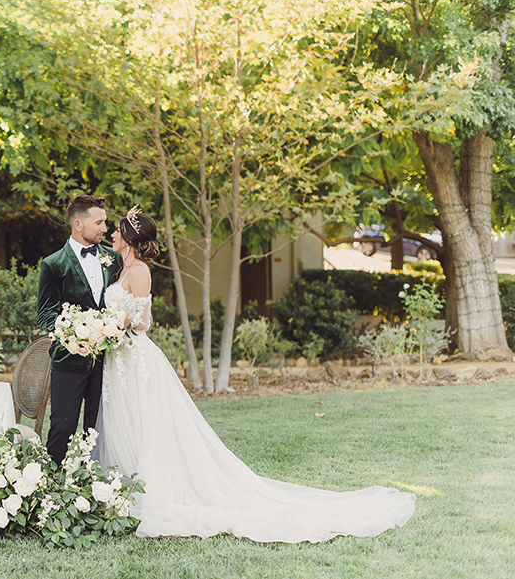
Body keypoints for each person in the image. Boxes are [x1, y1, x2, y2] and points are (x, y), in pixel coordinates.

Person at [95, 206, 416, 541]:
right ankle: (125, 489)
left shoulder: (140, 271)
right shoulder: (122, 268)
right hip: (120, 360)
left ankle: (153, 494)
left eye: (117, 231)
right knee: (127, 420)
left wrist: (114, 326)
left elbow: (145, 322)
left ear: (130, 238)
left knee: (149, 425)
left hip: (137, 359)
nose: (112, 235)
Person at [37, 195, 123, 466]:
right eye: (99, 222)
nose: (105, 228)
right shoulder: (53, 264)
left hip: (107, 360)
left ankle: (94, 485)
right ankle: (51, 484)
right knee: (63, 427)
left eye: (105, 222)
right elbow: (46, 312)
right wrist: (71, 336)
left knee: (98, 428)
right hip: (69, 360)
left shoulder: (114, 259)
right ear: (78, 224)